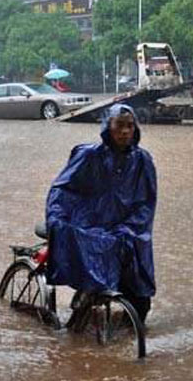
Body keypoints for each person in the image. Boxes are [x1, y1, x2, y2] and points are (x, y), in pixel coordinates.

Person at [45, 103, 157, 323]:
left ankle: (129, 331)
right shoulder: (89, 156)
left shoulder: (143, 161)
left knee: (140, 293)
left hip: (127, 228)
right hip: (90, 224)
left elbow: (147, 202)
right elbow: (64, 189)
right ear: (108, 126)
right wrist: (58, 217)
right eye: (119, 126)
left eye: (129, 126)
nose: (125, 131)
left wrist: (130, 227)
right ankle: (78, 314)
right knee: (90, 265)